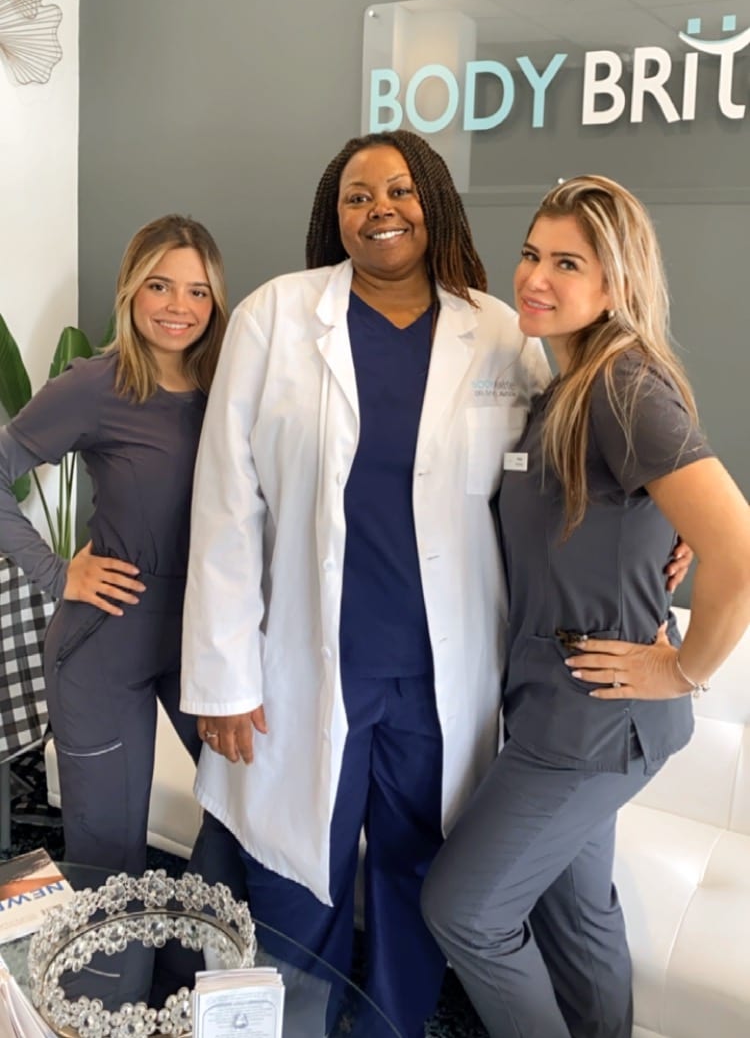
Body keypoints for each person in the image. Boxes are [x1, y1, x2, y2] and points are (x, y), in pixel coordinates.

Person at [179, 130, 551, 1038]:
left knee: (411, 875)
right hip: (304, 668)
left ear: (435, 199)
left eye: (398, 189)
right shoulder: (275, 316)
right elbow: (229, 503)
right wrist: (224, 675)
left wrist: (662, 535)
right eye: (355, 195)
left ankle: (388, 1027)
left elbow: (570, 456)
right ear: (332, 214)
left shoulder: (500, 331)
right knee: (290, 884)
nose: (378, 207)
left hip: (437, 679)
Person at [420, 175, 750, 1038]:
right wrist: (658, 552)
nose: (535, 276)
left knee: (465, 910)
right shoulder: (562, 386)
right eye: (533, 253)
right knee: (577, 917)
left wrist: (683, 665)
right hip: (554, 709)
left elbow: (741, 549)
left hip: (593, 723)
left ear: (617, 285)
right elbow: (623, 523)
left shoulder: (621, 385)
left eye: (569, 263)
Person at [0, 214, 229, 875]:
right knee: (110, 854)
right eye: (161, 286)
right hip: (107, 638)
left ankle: (188, 964)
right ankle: (115, 980)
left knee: (246, 816)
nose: (179, 306)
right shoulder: (98, 384)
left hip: (203, 637)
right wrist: (54, 571)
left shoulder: (233, 385)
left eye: (197, 290)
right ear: (132, 290)